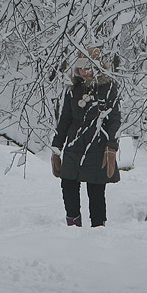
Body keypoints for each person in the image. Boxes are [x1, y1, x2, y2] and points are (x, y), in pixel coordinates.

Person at [51, 47, 121, 227]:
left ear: (97, 67)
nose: (84, 72)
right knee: (68, 186)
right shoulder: (73, 89)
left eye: (88, 68)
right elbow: (65, 120)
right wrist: (56, 148)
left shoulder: (108, 87)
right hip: (74, 146)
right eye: (81, 68)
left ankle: (98, 229)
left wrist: (111, 147)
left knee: (96, 191)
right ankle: (73, 226)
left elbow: (114, 119)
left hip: (98, 146)